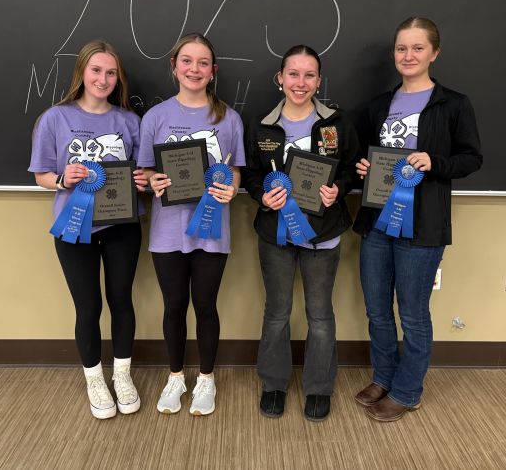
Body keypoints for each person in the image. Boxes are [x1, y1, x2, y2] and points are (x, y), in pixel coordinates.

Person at [353, 17, 482, 422]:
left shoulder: (453, 104)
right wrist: (363, 169)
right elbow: (370, 157)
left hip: (423, 227)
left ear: (434, 53)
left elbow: (471, 159)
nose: (408, 56)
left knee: (412, 313)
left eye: (417, 48)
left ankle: (408, 391)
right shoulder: (378, 106)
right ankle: (384, 377)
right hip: (377, 222)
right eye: (401, 49)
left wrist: (434, 161)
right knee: (376, 309)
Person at [29, 40, 148, 419]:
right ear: (81, 72)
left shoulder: (130, 122)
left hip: (121, 226)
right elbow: (41, 175)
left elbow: (140, 172)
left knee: (121, 300)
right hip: (73, 229)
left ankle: (123, 375)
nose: (103, 78)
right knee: (88, 306)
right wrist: (64, 179)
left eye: (111, 72)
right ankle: (95, 378)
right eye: (96, 70)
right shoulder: (54, 118)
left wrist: (143, 180)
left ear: (118, 78)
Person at [243, 45, 359, 421]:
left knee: (320, 314)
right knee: (276, 312)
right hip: (275, 235)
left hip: (322, 237)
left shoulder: (337, 123)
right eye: (293, 74)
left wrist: (338, 190)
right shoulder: (261, 125)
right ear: (280, 79)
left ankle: (319, 387)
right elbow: (251, 177)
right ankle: (274, 383)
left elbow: (349, 171)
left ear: (319, 81)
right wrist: (264, 196)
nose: (300, 82)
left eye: (309, 75)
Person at [137, 33, 244, 416]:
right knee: (173, 307)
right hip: (167, 231)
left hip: (212, 231)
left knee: (206, 306)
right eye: (187, 61)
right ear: (174, 67)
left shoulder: (229, 118)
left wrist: (232, 189)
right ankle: (176, 376)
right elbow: (145, 172)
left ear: (212, 71)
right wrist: (152, 182)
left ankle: (206, 379)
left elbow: (234, 171)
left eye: (202, 63)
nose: (194, 69)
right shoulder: (155, 117)